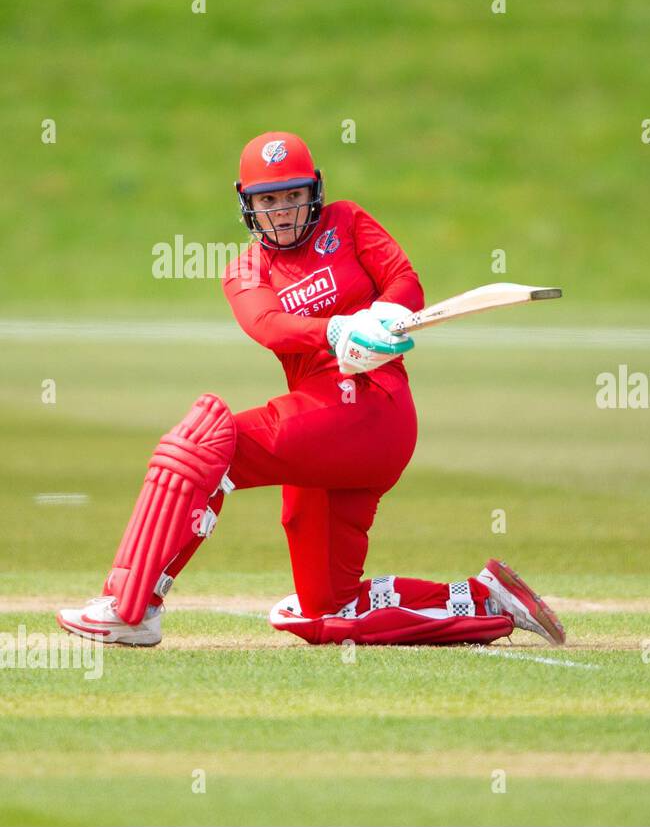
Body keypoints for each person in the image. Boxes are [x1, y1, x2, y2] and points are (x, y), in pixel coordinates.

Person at [57, 131, 565, 648]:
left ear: (314, 192)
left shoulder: (346, 221)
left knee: (203, 441)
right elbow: (267, 324)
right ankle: (485, 601)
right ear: (247, 204)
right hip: (323, 431)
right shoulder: (246, 269)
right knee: (326, 613)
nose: (283, 210)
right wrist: (336, 330)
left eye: (293, 195)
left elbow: (403, 279)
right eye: (269, 200)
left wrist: (384, 318)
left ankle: (131, 607)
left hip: (372, 410)